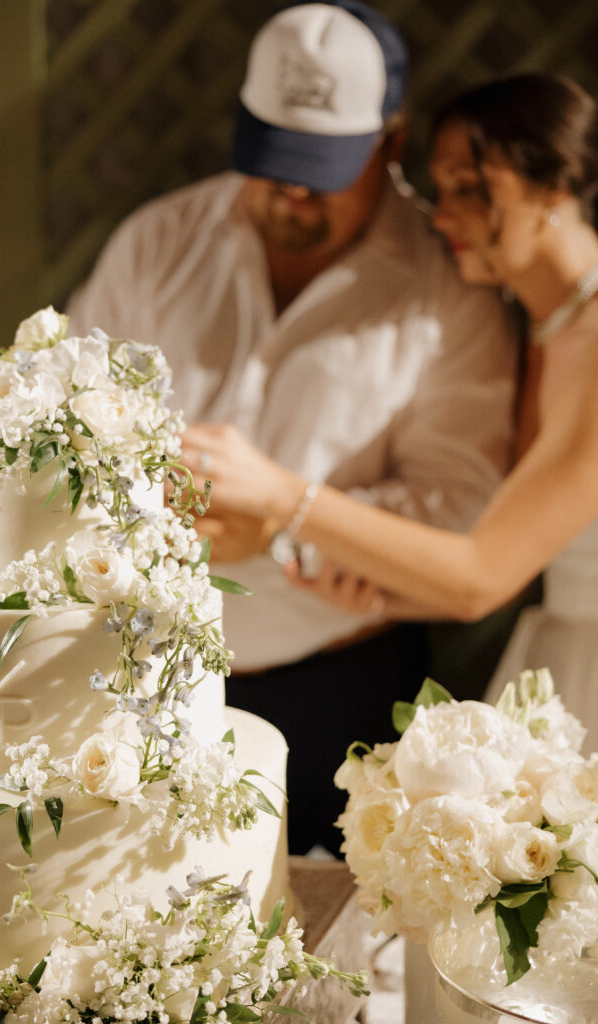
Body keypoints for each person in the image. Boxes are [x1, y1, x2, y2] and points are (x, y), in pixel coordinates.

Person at [67, 1, 520, 854]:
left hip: (336, 698)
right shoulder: (158, 242)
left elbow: (460, 513)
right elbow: (75, 435)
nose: (293, 190)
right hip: (136, 686)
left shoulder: (446, 290)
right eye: (273, 159)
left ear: (390, 139)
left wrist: (284, 533)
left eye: (322, 167)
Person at [182, 72, 598, 756]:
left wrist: (282, 495)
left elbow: (481, 576)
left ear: (554, 185)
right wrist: (381, 595)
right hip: (556, 639)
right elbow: (517, 561)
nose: (440, 216)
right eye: (442, 190)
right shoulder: (547, 329)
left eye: (469, 188)